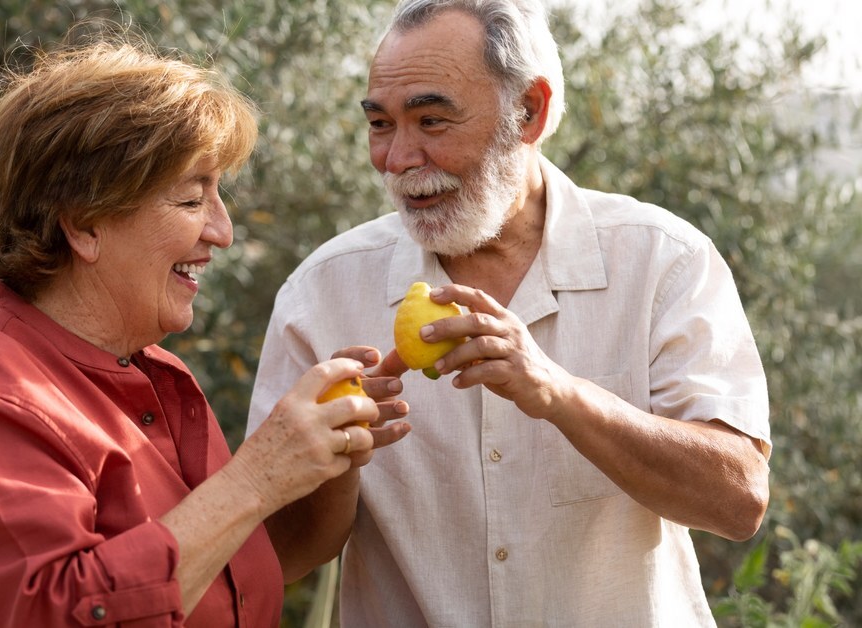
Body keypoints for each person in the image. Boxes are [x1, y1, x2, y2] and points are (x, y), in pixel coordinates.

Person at [246, 0, 772, 625]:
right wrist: (334, 457)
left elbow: (738, 501)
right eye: (381, 124)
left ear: (531, 111)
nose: (398, 158)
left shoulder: (664, 261)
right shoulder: (321, 292)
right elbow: (281, 556)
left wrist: (558, 393)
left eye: (432, 120)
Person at [0, 34, 405, 627]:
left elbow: (250, 567)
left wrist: (335, 449)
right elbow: (59, 615)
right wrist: (256, 476)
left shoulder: (156, 374)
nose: (222, 231)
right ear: (85, 223)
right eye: (192, 199)